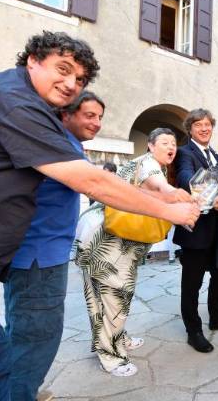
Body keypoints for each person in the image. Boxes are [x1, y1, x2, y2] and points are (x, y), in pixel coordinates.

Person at [0, 31, 198, 401]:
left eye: (80, 79)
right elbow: (90, 180)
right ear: (31, 61)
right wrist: (170, 210)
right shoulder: (16, 101)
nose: (71, 84)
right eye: (62, 69)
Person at [4, 91, 106, 401]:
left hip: (39, 253)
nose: (97, 123)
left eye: (100, 117)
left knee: (24, 334)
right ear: (66, 115)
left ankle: (19, 392)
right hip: (39, 256)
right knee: (37, 338)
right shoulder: (57, 143)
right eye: (89, 115)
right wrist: (167, 205)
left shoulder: (65, 144)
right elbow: (97, 185)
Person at [75, 127, 185, 377]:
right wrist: (173, 193)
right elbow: (158, 185)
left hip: (113, 239)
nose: (171, 147)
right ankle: (110, 356)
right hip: (109, 241)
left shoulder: (148, 164)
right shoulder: (149, 164)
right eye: (165, 142)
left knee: (111, 296)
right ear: (150, 145)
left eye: (174, 143)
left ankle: (116, 338)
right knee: (112, 297)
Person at [173, 108, 218, 353]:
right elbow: (186, 179)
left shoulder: (216, 156)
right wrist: (214, 200)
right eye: (198, 124)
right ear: (190, 129)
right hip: (196, 232)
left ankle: (217, 317)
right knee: (191, 284)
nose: (204, 128)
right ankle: (194, 331)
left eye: (208, 124)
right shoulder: (185, 153)